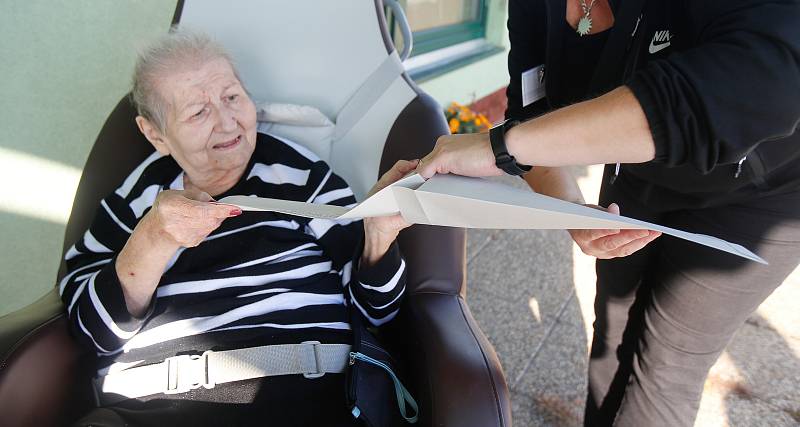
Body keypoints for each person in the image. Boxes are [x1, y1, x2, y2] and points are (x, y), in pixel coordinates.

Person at [417, 1, 800, 426]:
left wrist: (499, 147)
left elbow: (744, 88)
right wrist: (572, 210)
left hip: (759, 194)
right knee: (611, 331)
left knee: (665, 367)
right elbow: (531, 112)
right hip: (638, 171)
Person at [60, 29, 418, 426]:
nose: (228, 122)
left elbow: (378, 312)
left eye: (232, 97)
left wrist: (379, 236)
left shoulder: (300, 176)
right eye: (198, 112)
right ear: (155, 134)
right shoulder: (130, 202)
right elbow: (92, 333)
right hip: (154, 409)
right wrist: (154, 238)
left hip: (308, 397)